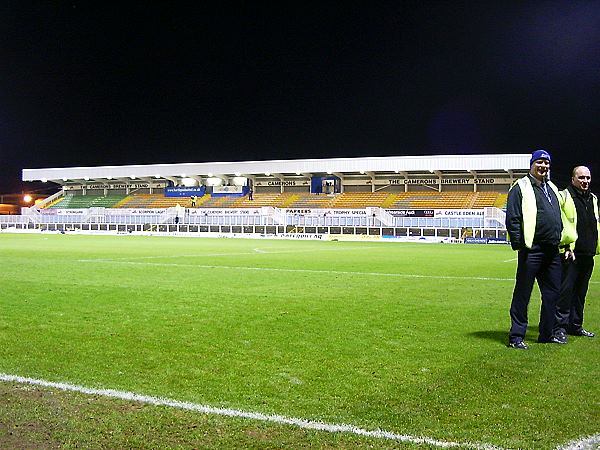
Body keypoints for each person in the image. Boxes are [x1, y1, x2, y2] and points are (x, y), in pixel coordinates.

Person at [506, 149, 564, 349]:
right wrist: (520, 245)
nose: (544, 166)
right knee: (523, 293)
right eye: (540, 162)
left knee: (553, 294)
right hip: (532, 250)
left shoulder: (552, 188)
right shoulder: (520, 187)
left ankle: (547, 334)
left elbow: (558, 216)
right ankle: (516, 337)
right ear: (532, 164)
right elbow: (512, 218)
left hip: (552, 251)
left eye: (547, 163)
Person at [554, 166, 599, 342]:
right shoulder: (564, 196)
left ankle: (576, 325)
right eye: (581, 178)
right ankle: (560, 328)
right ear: (573, 179)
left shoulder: (593, 198)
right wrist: (566, 246)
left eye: (588, 178)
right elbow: (561, 224)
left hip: (588, 254)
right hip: (570, 254)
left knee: (580, 293)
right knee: (565, 293)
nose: (585, 181)